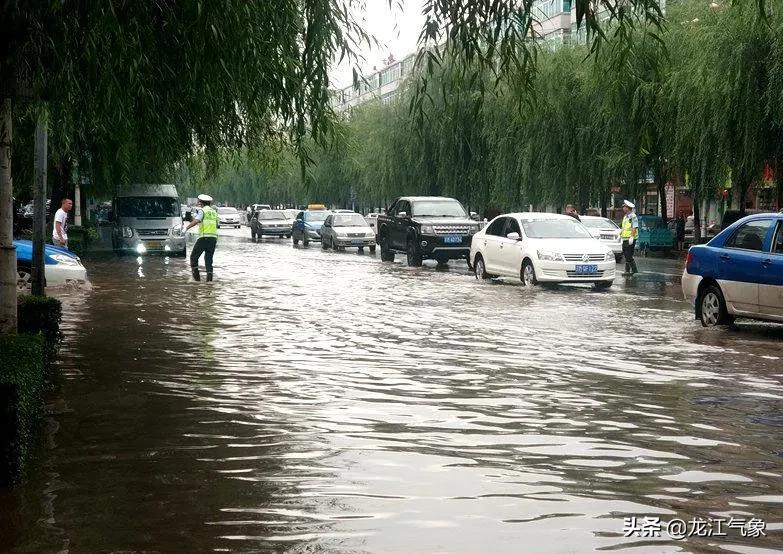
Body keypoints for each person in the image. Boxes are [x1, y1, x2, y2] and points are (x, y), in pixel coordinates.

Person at [184, 194, 218, 282]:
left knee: (193, 257)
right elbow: (215, 224)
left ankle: (196, 280)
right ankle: (209, 282)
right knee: (208, 260)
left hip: (203, 238)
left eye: (199, 202)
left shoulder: (202, 211)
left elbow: (196, 220)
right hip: (213, 239)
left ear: (201, 203)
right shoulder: (214, 212)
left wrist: (186, 228)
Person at [620, 200, 639, 276]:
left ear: (628, 208)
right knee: (626, 254)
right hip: (624, 238)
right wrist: (620, 234)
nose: (623, 208)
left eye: (624, 207)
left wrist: (632, 237)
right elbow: (624, 227)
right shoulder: (626, 216)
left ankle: (630, 271)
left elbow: (634, 227)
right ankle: (631, 271)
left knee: (628, 255)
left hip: (630, 239)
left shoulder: (633, 216)